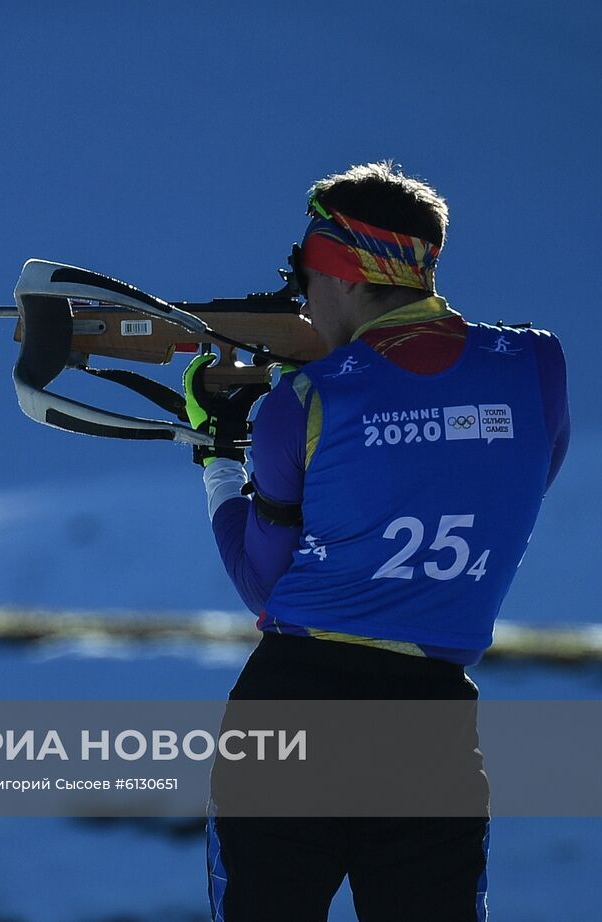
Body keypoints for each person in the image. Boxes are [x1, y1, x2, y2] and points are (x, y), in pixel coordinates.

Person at [181, 161, 570, 921]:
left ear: (343, 273)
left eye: (301, 270)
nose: (298, 293)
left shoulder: (305, 399)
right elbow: (517, 486)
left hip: (294, 703)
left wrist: (218, 456)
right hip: (432, 719)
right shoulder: (536, 367)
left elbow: (263, 582)